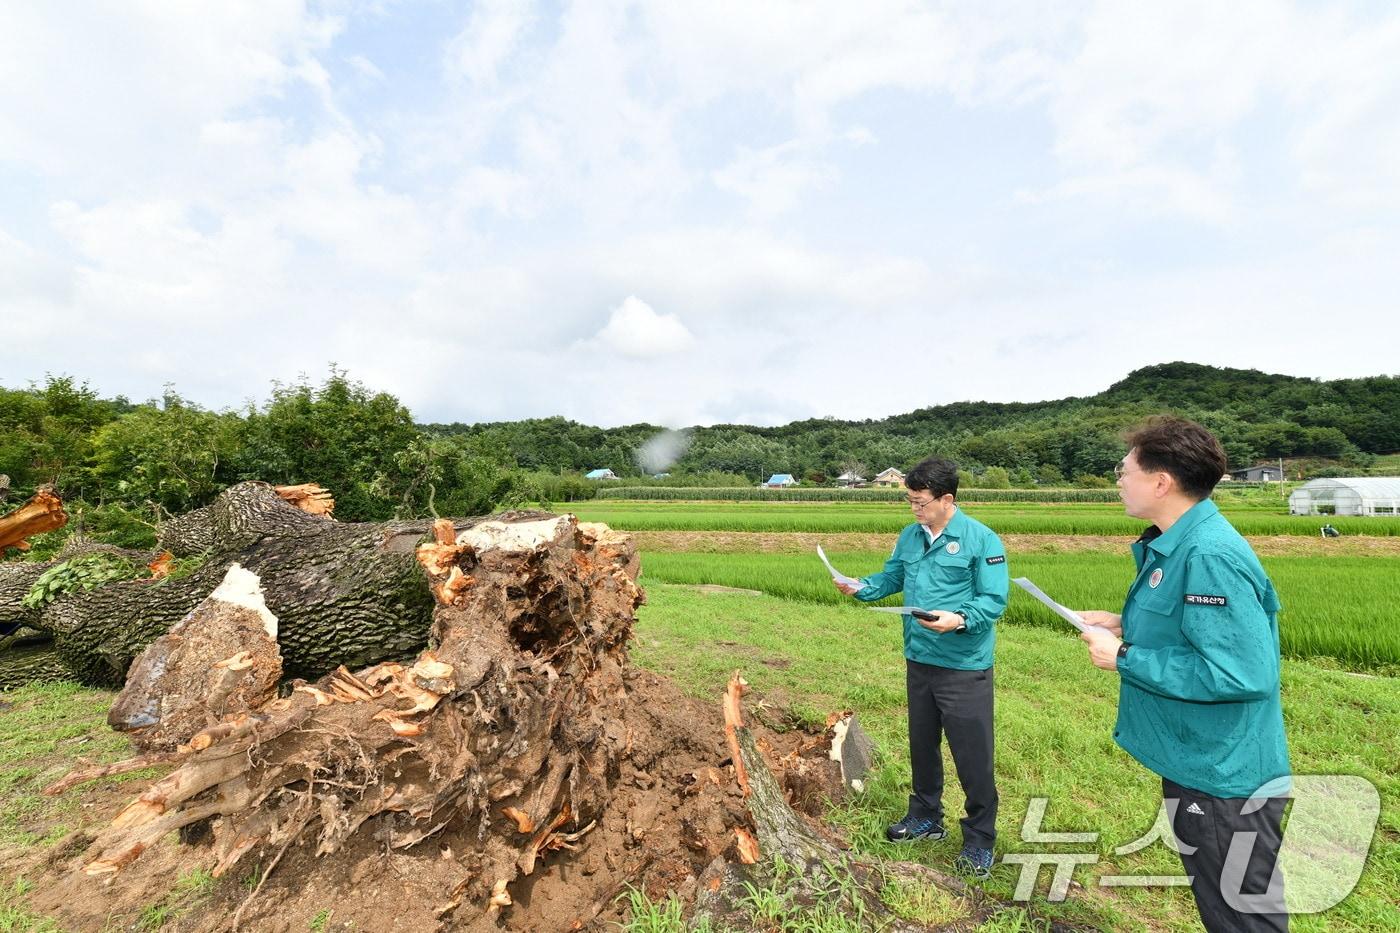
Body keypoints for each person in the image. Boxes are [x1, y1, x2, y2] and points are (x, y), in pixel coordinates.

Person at [1078, 416, 1291, 932]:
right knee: (1225, 905)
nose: (1118, 481)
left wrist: (1124, 656)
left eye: (1123, 471)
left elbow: (1241, 673)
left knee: (1242, 916)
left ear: (1160, 481)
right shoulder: (1177, 543)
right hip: (1201, 759)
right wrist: (1124, 621)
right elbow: (1196, 627)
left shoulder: (1208, 554)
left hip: (1223, 776)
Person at [834, 456, 1008, 878]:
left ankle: (979, 838)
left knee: (973, 756)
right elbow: (892, 578)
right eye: (909, 500)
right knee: (922, 745)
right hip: (919, 659)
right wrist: (861, 587)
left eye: (920, 501)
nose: (913, 508)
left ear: (946, 499)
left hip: (963, 664)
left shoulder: (982, 540)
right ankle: (926, 816)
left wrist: (960, 618)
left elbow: (993, 600)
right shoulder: (910, 536)